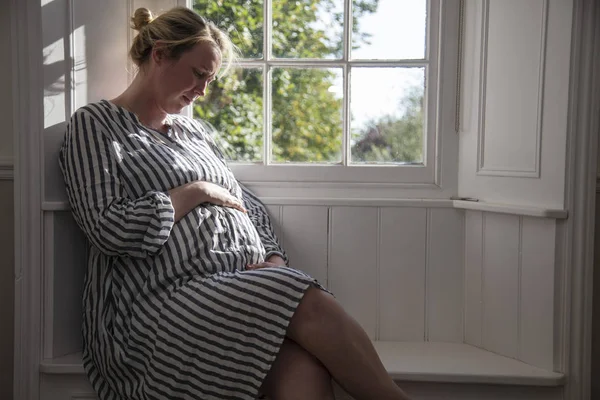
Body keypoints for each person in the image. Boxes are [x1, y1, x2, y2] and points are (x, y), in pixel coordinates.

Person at [59, 6, 411, 400]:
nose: (203, 91)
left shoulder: (195, 133)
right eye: (198, 74)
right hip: (157, 302)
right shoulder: (96, 125)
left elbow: (247, 205)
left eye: (209, 79)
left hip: (232, 285)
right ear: (159, 54)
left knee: (302, 364)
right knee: (307, 299)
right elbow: (109, 228)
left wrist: (274, 258)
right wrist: (194, 192)